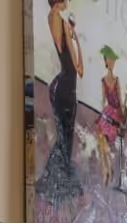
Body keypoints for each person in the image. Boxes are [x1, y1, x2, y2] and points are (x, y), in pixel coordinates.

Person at [35, 0, 84, 206]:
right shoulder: (61, 21)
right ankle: (54, 186)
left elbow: (74, 64)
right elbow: (78, 67)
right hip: (66, 87)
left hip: (62, 85)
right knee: (66, 139)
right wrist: (73, 34)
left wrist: (71, 32)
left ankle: (53, 185)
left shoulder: (53, 18)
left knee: (64, 139)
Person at [95, 45, 126, 186]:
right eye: (109, 60)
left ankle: (106, 170)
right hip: (108, 113)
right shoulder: (103, 81)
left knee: (102, 137)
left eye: (113, 60)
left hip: (114, 114)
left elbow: (119, 100)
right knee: (101, 137)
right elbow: (103, 100)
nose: (111, 63)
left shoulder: (116, 80)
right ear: (106, 61)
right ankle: (107, 169)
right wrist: (103, 116)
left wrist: (122, 118)